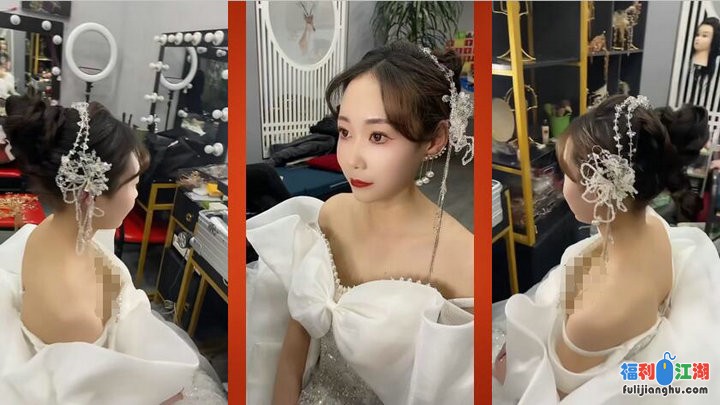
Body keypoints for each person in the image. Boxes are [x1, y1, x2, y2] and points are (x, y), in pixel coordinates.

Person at [246, 41, 474, 404]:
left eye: (378, 136)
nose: (352, 158)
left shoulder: (463, 259)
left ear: (434, 140)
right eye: (345, 132)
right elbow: (295, 347)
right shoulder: (332, 213)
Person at [492, 95, 720, 404]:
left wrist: (514, 375)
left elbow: (560, 392)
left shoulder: (594, 317)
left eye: (568, 176)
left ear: (602, 190)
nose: (560, 186)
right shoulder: (655, 227)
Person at [0, 95, 226, 404]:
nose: (135, 195)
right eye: (132, 184)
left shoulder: (52, 230)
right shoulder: (73, 314)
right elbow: (98, 393)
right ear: (88, 196)